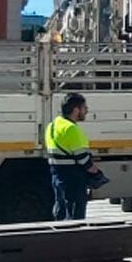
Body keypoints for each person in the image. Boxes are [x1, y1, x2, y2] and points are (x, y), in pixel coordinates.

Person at [45, 93, 101, 221]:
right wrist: (95, 171)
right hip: (73, 179)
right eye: (84, 107)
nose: (86, 111)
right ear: (76, 110)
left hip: (57, 176)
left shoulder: (52, 126)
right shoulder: (71, 129)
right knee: (75, 216)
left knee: (61, 211)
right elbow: (83, 159)